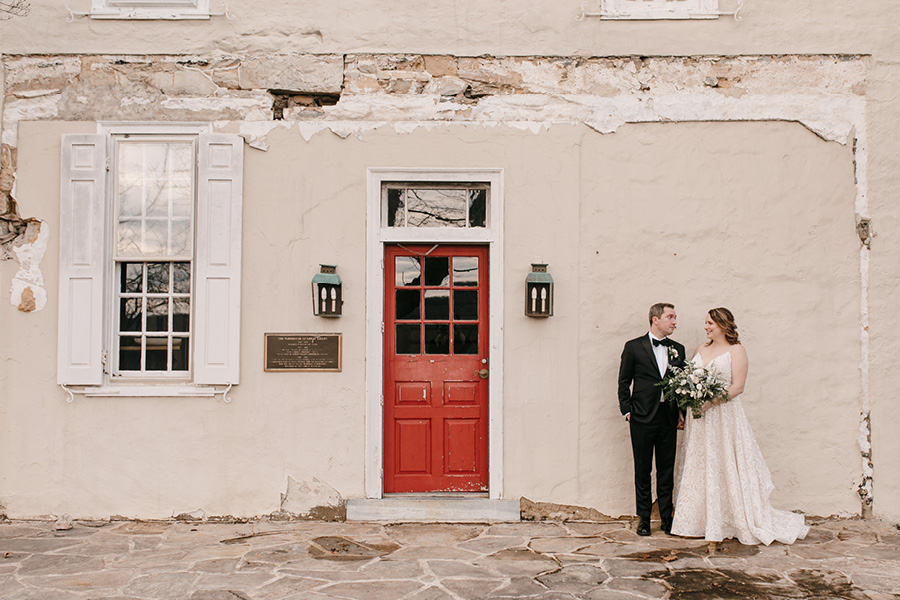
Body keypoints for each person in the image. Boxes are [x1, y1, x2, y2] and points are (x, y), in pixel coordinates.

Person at [670, 308, 809, 546]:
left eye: (710, 323)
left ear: (724, 325)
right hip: (698, 419)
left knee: (725, 462)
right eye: (705, 323)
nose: (706, 327)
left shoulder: (737, 351)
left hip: (723, 416)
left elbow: (737, 387)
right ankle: (697, 520)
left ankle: (730, 519)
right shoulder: (699, 350)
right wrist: (690, 405)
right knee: (701, 462)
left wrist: (708, 404)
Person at [618, 303, 686, 536]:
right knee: (642, 469)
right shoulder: (633, 347)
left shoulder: (679, 349)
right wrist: (627, 411)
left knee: (666, 470)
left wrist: (681, 413)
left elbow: (682, 386)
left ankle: (667, 517)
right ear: (655, 319)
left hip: (668, 417)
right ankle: (644, 518)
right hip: (641, 417)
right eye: (670, 317)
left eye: (675, 317)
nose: (675, 321)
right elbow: (624, 381)